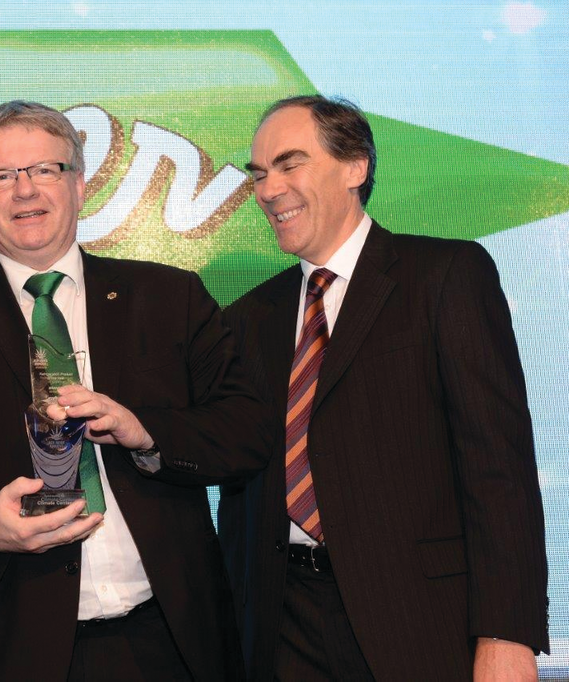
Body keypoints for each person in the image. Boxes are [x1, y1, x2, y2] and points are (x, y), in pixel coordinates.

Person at [0, 100, 271, 682]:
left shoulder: (169, 298)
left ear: (80, 185)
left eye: (44, 169)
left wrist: (146, 431)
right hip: (17, 646)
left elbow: (247, 432)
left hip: (175, 637)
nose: (23, 189)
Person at [217, 95, 548, 681]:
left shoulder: (445, 276)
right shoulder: (248, 317)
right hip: (280, 628)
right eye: (259, 173)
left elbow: (498, 471)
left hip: (419, 622)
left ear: (355, 167)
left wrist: (507, 634)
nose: (268, 189)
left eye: (290, 164)